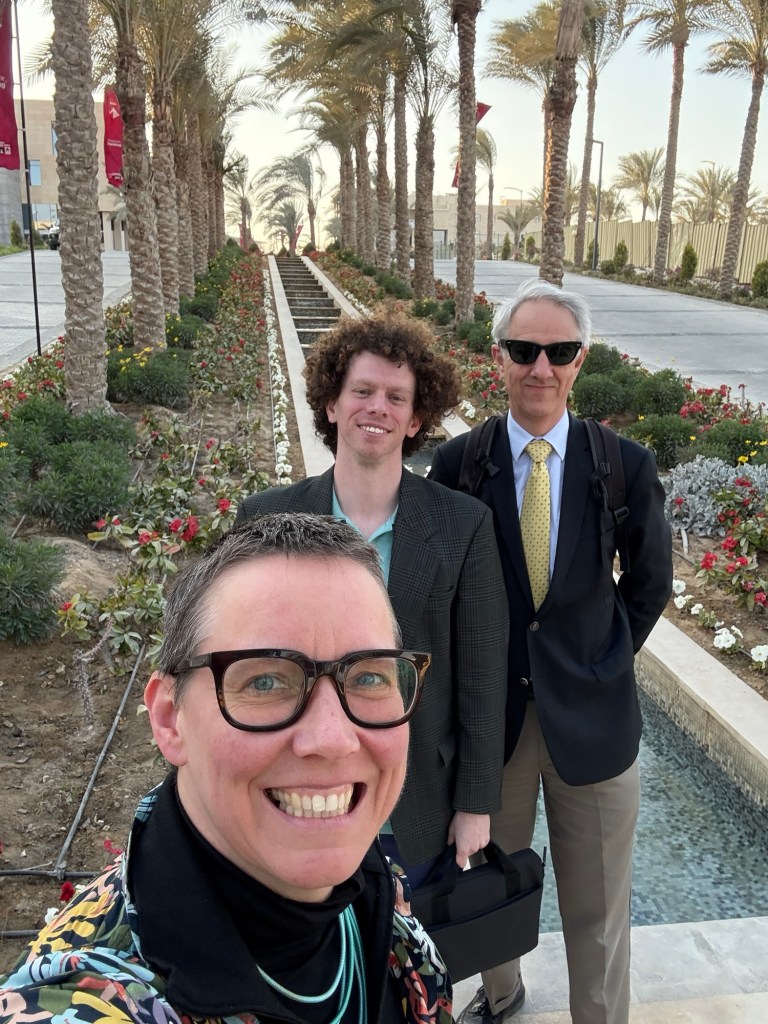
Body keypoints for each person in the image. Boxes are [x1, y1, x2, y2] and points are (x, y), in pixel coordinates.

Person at [0, 514, 452, 1024]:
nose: (332, 739)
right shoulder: (89, 1001)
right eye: (265, 682)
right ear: (170, 718)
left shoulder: (377, 891)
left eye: (368, 676)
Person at [429, 278, 673, 1024]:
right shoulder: (459, 465)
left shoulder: (623, 465)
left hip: (594, 728)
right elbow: (441, 596)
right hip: (489, 730)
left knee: (598, 906)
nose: (541, 367)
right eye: (524, 349)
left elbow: (650, 583)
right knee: (487, 889)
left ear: (580, 361)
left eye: (559, 351)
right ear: (498, 356)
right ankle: (500, 996)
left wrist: (602, 662)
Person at [236, 315, 508, 887]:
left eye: (395, 397)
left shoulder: (463, 526)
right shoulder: (265, 518)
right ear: (332, 405)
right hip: (298, 792)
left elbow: (482, 676)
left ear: (415, 419)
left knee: (408, 946)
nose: (377, 408)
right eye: (362, 391)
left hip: (417, 805)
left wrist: (476, 804)